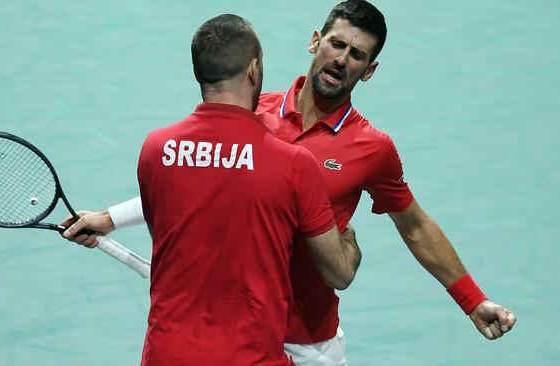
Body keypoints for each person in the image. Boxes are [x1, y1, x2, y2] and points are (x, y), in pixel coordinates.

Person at [65, 1, 516, 365]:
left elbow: (414, 226)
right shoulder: (250, 113)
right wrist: (109, 218)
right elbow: (197, 181)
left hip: (307, 341)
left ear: (370, 70)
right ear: (315, 41)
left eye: (357, 54)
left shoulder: (372, 148)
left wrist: (472, 300)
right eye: (336, 44)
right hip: (239, 333)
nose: (342, 59)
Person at [64, 14, 360, 366]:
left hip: (165, 356)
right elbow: (339, 274)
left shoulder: (156, 149)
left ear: (198, 73)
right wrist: (350, 243)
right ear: (253, 70)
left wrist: (108, 218)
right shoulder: (294, 164)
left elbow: (174, 218)